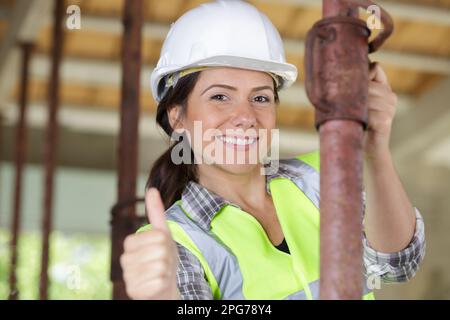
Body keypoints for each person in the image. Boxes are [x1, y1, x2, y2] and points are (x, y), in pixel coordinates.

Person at [120, 0, 425, 300]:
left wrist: (374, 151)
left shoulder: (322, 174)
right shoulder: (173, 242)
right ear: (177, 116)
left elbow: (396, 265)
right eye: (220, 97)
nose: (245, 118)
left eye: (261, 98)